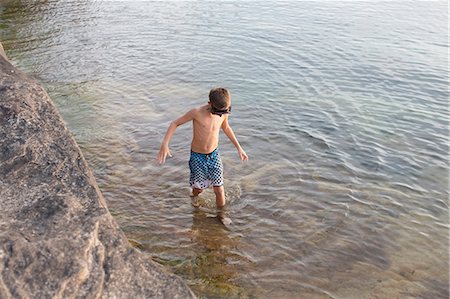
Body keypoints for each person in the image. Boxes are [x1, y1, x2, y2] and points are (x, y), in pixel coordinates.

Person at [157, 87, 248, 209]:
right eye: (218, 112)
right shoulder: (197, 112)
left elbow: (226, 127)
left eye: (225, 111)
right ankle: (193, 200)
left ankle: (221, 217)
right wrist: (165, 144)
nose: (221, 115)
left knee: (219, 189)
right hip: (197, 157)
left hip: (214, 155)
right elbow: (175, 123)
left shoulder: (223, 113)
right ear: (210, 104)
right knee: (198, 189)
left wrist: (239, 148)